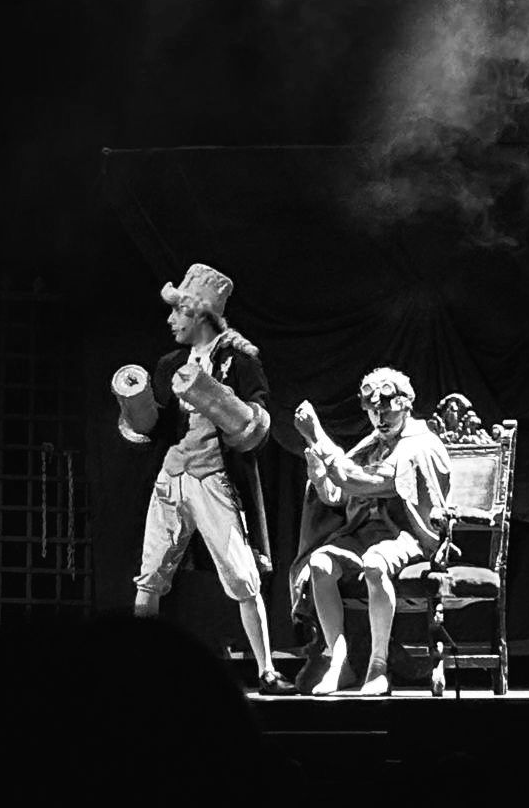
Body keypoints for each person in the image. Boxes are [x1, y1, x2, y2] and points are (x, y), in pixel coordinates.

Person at [115, 262, 295, 694]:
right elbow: (157, 426)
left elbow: (255, 419)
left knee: (243, 577)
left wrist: (218, 399)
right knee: (150, 574)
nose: (170, 320)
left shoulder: (239, 361)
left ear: (198, 314)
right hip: (172, 476)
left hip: (214, 476)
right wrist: (135, 406)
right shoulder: (169, 364)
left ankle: (266, 670)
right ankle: (140, 667)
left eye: (178, 311)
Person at [291, 366, 451, 695]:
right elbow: (338, 494)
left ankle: (378, 667)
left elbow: (367, 481)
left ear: (405, 405)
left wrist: (319, 437)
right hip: (364, 534)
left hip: (408, 536)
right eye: (373, 411)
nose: (380, 419)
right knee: (320, 564)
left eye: (387, 410)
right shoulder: (374, 443)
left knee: (375, 564)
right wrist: (319, 476)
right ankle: (339, 662)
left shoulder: (419, 445)